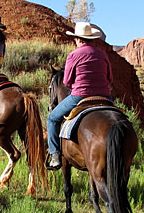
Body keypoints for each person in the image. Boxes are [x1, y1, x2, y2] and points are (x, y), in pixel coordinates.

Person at [46, 22, 113, 169]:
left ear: (79, 39)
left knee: (52, 118)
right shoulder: (103, 54)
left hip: (80, 96)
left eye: (76, 39)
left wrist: (78, 86)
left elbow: (67, 81)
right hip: (105, 97)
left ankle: (55, 155)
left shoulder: (74, 55)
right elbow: (109, 79)